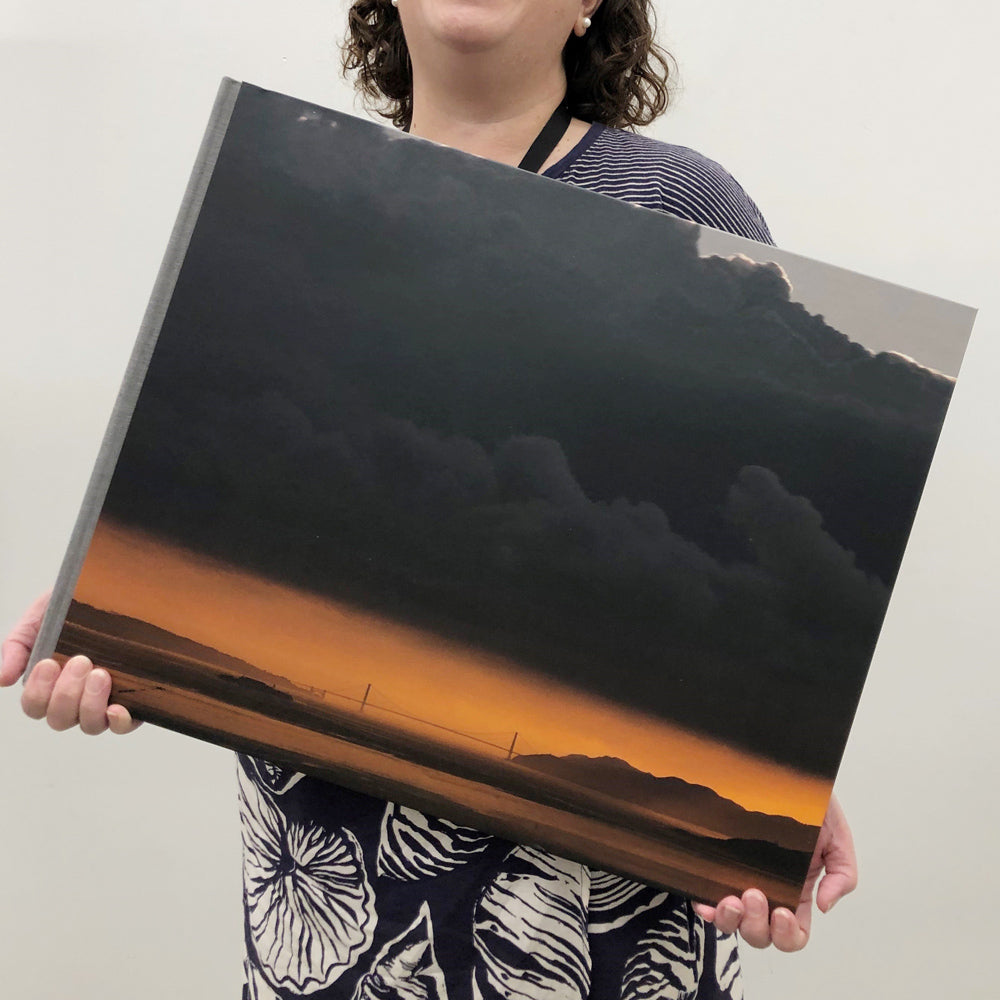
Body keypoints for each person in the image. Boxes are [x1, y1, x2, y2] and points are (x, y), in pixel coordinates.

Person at [1, 0, 858, 995]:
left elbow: (761, 565)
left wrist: (783, 785)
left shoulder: (681, 201)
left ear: (591, 6)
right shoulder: (292, 191)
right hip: (337, 873)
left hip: (591, 910)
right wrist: (101, 627)